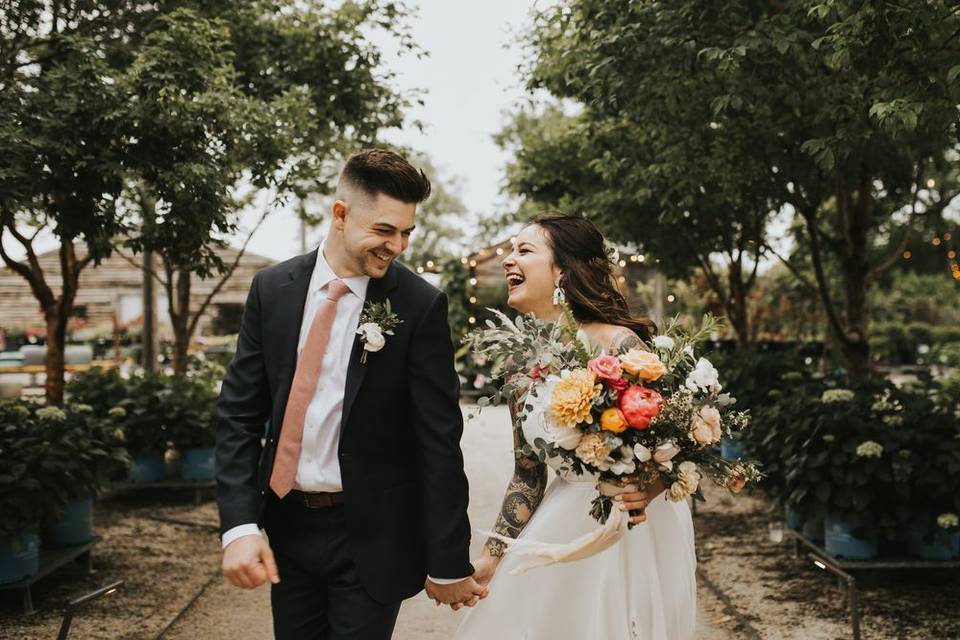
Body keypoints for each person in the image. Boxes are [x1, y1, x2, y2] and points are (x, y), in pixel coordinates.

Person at [215, 148, 486, 640]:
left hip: (372, 536)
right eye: (384, 230)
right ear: (340, 214)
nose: (397, 245)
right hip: (288, 525)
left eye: (406, 232)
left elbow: (439, 440)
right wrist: (239, 526)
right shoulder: (271, 289)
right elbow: (238, 415)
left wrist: (448, 560)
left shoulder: (420, 306)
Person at [454, 214, 697, 640]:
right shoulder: (518, 367)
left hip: (629, 529)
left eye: (524, 251)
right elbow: (528, 474)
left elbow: (678, 441)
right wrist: (492, 556)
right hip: (561, 518)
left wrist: (650, 488)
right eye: (511, 250)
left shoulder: (620, 346)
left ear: (563, 270)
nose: (510, 260)